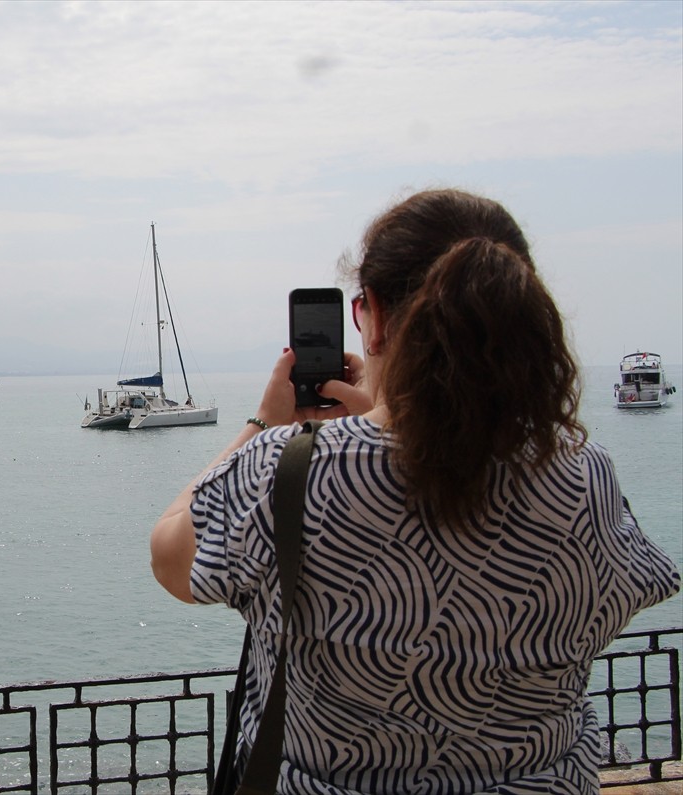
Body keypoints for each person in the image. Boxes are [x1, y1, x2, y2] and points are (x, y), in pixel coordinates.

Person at [150, 189, 679, 794]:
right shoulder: (584, 474)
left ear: (373, 317)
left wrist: (264, 424)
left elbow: (170, 558)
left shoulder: (289, 470)